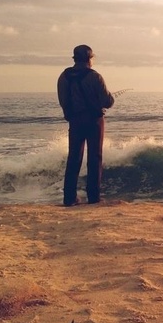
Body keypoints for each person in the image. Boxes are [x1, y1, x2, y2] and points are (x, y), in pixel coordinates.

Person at [57, 45, 114, 206]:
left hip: (74, 121)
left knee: (73, 158)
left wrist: (70, 114)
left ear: (75, 59)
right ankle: (93, 197)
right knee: (94, 157)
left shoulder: (64, 76)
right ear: (89, 58)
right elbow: (107, 101)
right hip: (94, 121)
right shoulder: (95, 77)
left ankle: (69, 198)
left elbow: (63, 100)